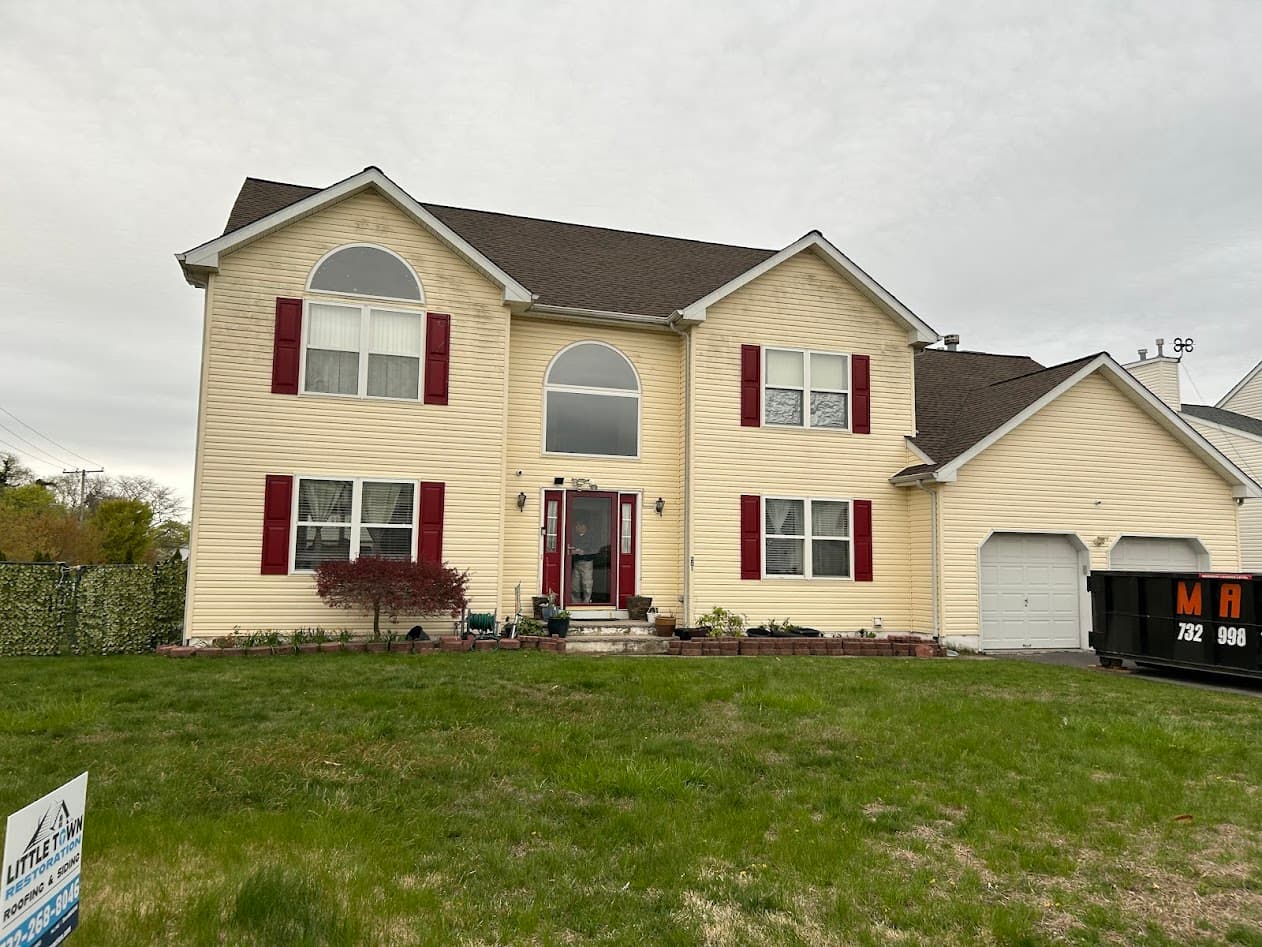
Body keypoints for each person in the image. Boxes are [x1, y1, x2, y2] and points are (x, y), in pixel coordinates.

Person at [568, 520, 599, 604]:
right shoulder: (574, 537)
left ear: (584, 527)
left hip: (587, 563)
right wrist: (573, 551)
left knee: (587, 584)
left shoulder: (591, 537)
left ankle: (586, 602)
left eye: (578, 526)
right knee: (574, 585)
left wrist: (584, 552)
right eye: (576, 526)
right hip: (576, 562)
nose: (576, 528)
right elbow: (570, 547)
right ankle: (575, 602)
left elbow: (595, 549)